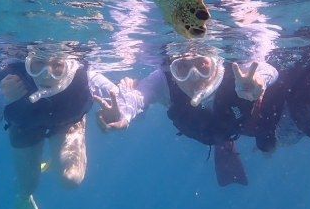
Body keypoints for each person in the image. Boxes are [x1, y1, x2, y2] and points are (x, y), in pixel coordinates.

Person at [0, 44, 130, 209]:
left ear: (70, 64)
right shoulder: (9, 77)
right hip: (25, 125)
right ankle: (27, 194)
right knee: (27, 187)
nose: (47, 74)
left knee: (71, 179)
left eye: (58, 66)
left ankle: (60, 152)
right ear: (26, 62)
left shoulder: (86, 75)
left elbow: (121, 99)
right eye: (37, 65)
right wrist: (0, 97)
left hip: (68, 122)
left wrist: (121, 114)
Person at [96, 44, 280, 186]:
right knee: (219, 133)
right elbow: (139, 95)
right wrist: (124, 112)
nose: (194, 76)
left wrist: (259, 81)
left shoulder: (236, 72)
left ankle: (229, 142)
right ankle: (223, 144)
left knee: (268, 146)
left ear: (216, 63)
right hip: (205, 129)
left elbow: (268, 69)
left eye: (202, 65)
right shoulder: (162, 80)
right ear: (172, 70)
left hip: (243, 121)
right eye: (182, 68)